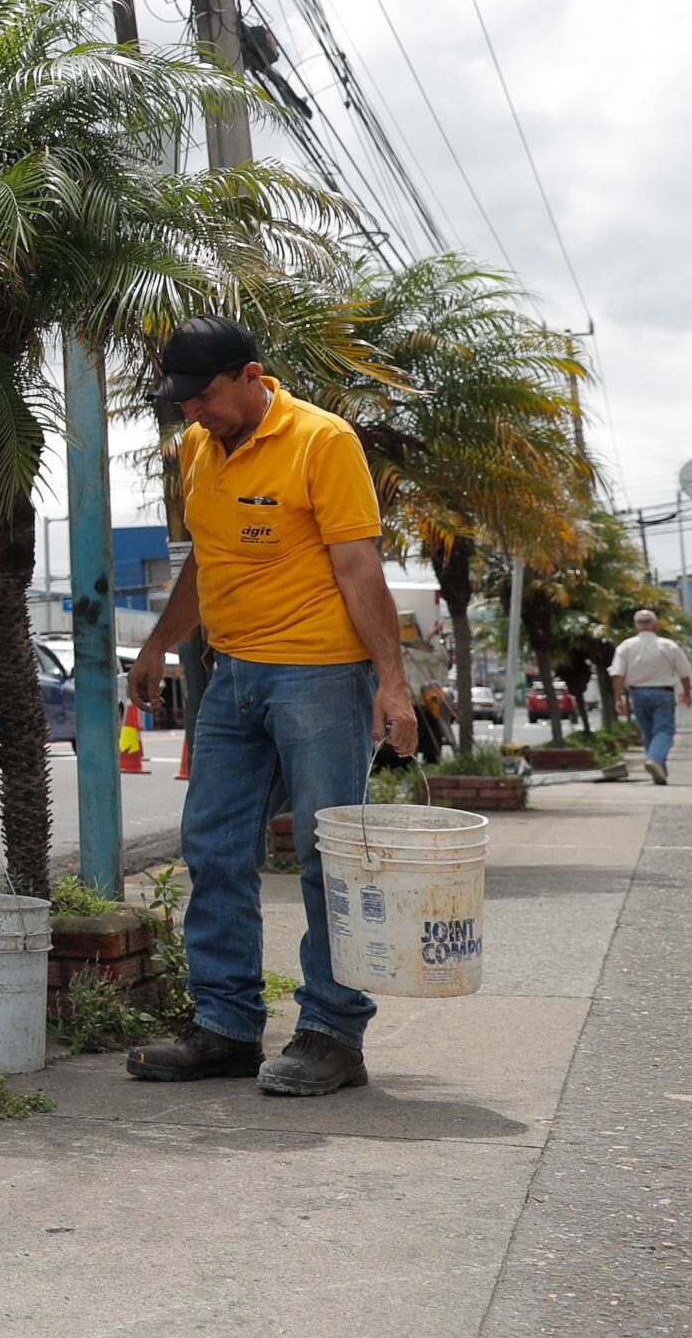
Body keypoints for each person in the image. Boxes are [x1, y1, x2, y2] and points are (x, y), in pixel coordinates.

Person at [126, 317, 419, 1097]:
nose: (195, 413)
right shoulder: (197, 447)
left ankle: (332, 1034)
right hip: (234, 676)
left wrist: (391, 682)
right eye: (184, 402)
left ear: (251, 375)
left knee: (330, 859)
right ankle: (224, 1025)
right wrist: (159, 645)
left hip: (321, 677)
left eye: (207, 397)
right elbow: (206, 560)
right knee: (214, 846)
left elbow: (359, 566)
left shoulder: (322, 442)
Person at [608, 608, 692, 785]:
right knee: (664, 731)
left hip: (637, 693)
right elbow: (684, 673)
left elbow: (617, 674)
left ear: (636, 626)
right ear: (655, 626)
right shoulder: (668, 645)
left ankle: (659, 771)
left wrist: (618, 698)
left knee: (648, 733)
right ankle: (655, 759)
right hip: (663, 693)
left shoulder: (626, 646)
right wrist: (687, 693)